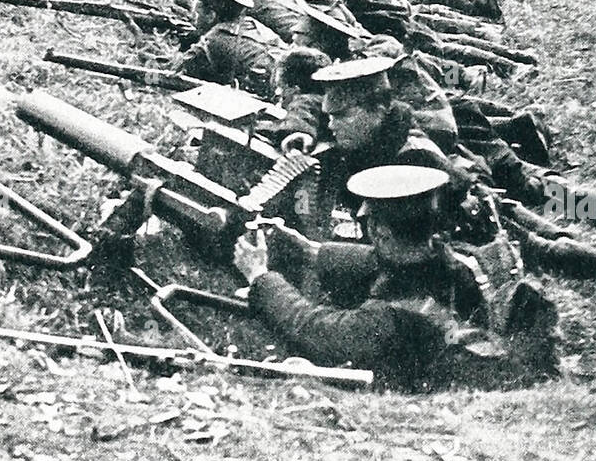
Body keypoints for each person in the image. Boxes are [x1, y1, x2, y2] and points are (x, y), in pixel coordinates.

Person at [233, 163, 560, 390]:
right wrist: (313, 251)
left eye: (370, 226)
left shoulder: (387, 319)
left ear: (379, 232)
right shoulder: (464, 256)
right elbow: (388, 261)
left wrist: (260, 276)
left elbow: (313, 327)